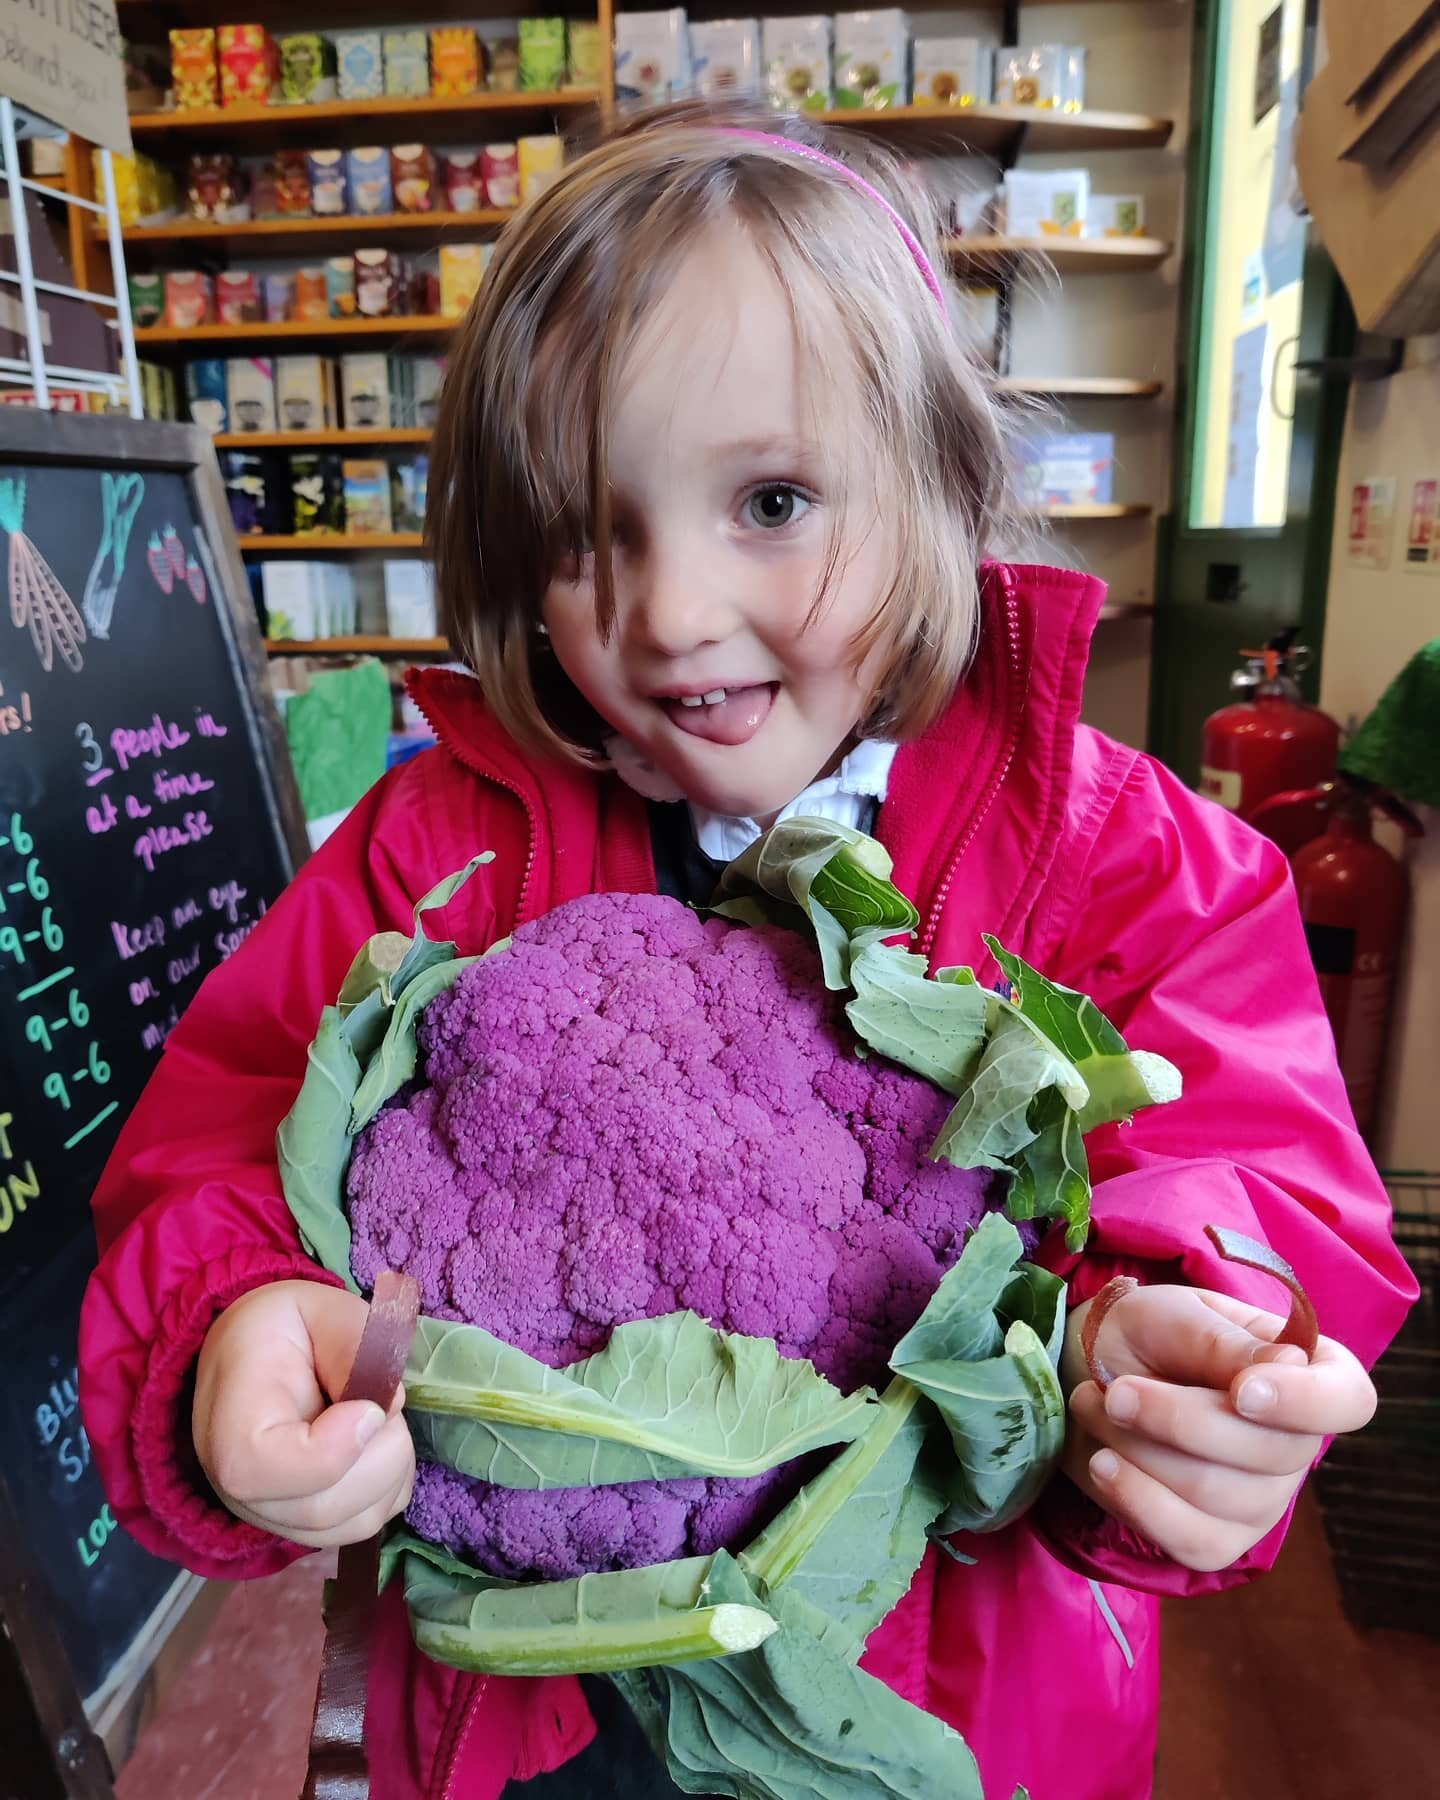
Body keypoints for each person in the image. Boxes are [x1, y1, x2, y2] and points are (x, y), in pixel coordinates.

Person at [80, 103, 1414, 1800]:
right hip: (530, 1721)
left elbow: (1258, 1173)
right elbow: (217, 1143)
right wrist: (238, 1320)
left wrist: (1160, 1343)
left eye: (772, 501)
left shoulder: (1129, 861)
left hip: (952, 1708)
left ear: (941, 484)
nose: (671, 613)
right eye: (588, 533)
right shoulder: (434, 856)